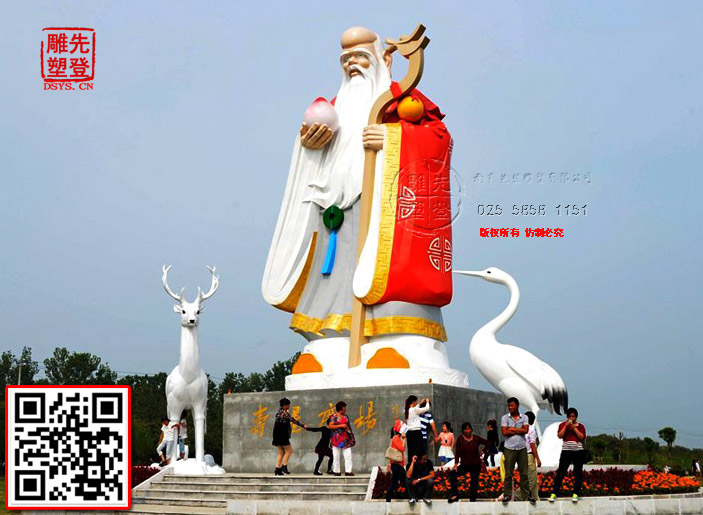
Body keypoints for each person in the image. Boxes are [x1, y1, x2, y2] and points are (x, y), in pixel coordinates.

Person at [262, 27, 456, 378]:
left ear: (384, 60)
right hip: (337, 215)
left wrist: (393, 137)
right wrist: (308, 148)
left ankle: (398, 338)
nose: (352, 64)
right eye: (346, 59)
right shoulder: (334, 109)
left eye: (361, 57)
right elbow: (312, 155)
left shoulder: (402, 102)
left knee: (389, 272)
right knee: (333, 273)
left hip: (390, 216)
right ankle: (332, 340)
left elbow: (439, 139)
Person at [500, 397, 534, 505]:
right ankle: (507, 495)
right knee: (508, 474)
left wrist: (512, 429)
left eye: (512, 405)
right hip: (509, 448)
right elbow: (504, 432)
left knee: (524, 473)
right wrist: (519, 430)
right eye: (508, 406)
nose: (510, 407)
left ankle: (526, 496)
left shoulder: (524, 417)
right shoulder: (505, 418)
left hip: (521, 448)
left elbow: (526, 430)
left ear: (517, 406)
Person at [549, 407, 587, 503]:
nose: (571, 418)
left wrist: (574, 428)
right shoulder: (562, 425)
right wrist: (566, 426)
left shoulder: (581, 426)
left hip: (578, 451)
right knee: (561, 472)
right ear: (567, 417)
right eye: (570, 416)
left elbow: (581, 437)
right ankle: (554, 493)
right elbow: (560, 435)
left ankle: (575, 493)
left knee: (578, 473)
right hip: (566, 451)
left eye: (573, 416)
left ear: (576, 417)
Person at [448, 422, 489, 503]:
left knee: (474, 482)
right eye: (465, 429)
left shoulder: (476, 438)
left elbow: (488, 443)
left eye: (469, 429)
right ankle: (454, 495)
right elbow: (457, 453)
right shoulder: (460, 439)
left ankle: (472, 501)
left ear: (471, 429)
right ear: (463, 431)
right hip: (465, 464)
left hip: (475, 464)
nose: (467, 431)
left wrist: (483, 451)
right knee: (453, 474)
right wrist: (456, 464)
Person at [272, 397, 307, 476]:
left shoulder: (280, 412)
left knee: (281, 452)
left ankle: (277, 469)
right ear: (284, 405)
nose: (289, 406)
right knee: (289, 451)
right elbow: (292, 420)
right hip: (282, 435)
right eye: (288, 405)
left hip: (277, 435)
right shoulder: (283, 413)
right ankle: (284, 466)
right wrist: (302, 425)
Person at [328, 401, 354, 476]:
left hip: (346, 439)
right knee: (336, 456)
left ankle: (348, 471)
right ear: (341, 408)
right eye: (344, 408)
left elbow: (348, 426)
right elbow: (330, 426)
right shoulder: (333, 417)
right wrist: (340, 426)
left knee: (348, 456)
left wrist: (350, 433)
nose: (345, 409)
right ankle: (336, 471)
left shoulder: (346, 417)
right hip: (336, 439)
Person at [385, 420, 407, 502]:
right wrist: (404, 439)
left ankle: (409, 496)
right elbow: (402, 449)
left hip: (397, 465)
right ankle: (388, 500)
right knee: (395, 483)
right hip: (397, 465)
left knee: (404, 482)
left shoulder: (396, 438)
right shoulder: (396, 438)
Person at [404, 395, 431, 460]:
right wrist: (427, 402)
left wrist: (420, 403)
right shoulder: (415, 410)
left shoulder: (406, 410)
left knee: (411, 450)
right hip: (416, 432)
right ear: (413, 402)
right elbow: (426, 408)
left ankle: (411, 463)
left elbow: (416, 407)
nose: (417, 403)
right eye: (416, 401)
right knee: (418, 450)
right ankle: (417, 463)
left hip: (409, 433)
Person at [524, 411, 542, 502]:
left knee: (532, 479)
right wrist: (538, 459)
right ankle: (517, 495)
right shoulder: (531, 430)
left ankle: (535, 498)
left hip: (522, 456)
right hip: (529, 456)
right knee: (532, 479)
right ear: (533, 420)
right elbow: (533, 445)